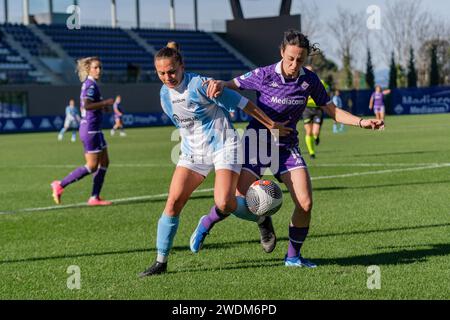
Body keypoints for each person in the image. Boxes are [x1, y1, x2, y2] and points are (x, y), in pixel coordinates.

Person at [193, 29, 384, 268]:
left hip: (286, 148)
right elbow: (231, 84)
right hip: (257, 143)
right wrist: (218, 84)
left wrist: (361, 121)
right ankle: (212, 221)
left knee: (305, 203)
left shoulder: (310, 80)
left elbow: (331, 110)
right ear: (282, 52)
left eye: (300, 60)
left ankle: (293, 257)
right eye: (290, 58)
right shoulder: (264, 75)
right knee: (238, 201)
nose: (294, 64)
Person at [138, 42, 292, 277]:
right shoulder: (163, 94)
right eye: (162, 73)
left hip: (224, 147)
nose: (168, 77)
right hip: (192, 153)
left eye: (172, 71)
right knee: (173, 203)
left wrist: (271, 125)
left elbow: (243, 103)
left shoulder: (201, 85)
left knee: (224, 203)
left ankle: (260, 217)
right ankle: (161, 262)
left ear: (182, 66)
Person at [51, 57, 115, 206]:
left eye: (100, 67)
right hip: (91, 130)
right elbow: (86, 105)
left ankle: (94, 197)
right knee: (92, 166)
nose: (98, 70)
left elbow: (91, 104)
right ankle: (60, 185)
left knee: (105, 161)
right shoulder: (90, 85)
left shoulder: (91, 84)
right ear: (88, 70)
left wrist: (102, 106)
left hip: (95, 130)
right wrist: (105, 103)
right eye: (95, 68)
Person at [302, 65, 329, 159]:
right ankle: (311, 152)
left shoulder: (320, 82)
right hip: (307, 109)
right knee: (308, 132)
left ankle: (316, 138)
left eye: (311, 71)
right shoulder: (302, 83)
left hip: (318, 109)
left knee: (315, 132)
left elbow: (327, 92)